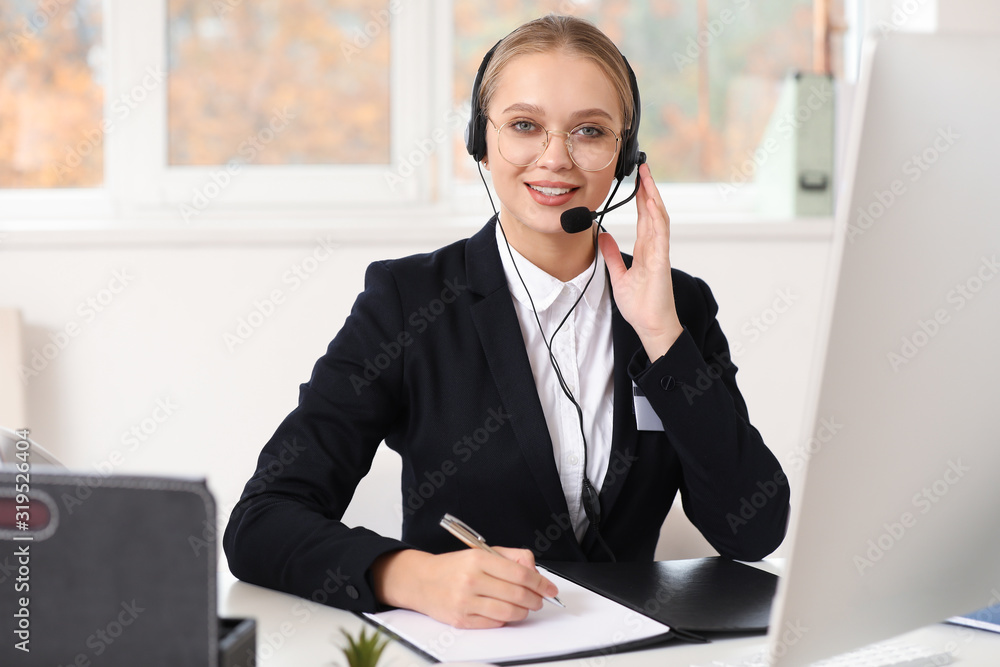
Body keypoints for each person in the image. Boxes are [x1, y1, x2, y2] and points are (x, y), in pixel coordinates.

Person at [224, 14, 789, 630]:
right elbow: (261, 521)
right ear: (480, 141)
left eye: (590, 132)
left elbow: (751, 529)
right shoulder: (408, 303)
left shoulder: (678, 309)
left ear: (625, 154)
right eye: (525, 126)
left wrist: (662, 338)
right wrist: (411, 575)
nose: (556, 159)